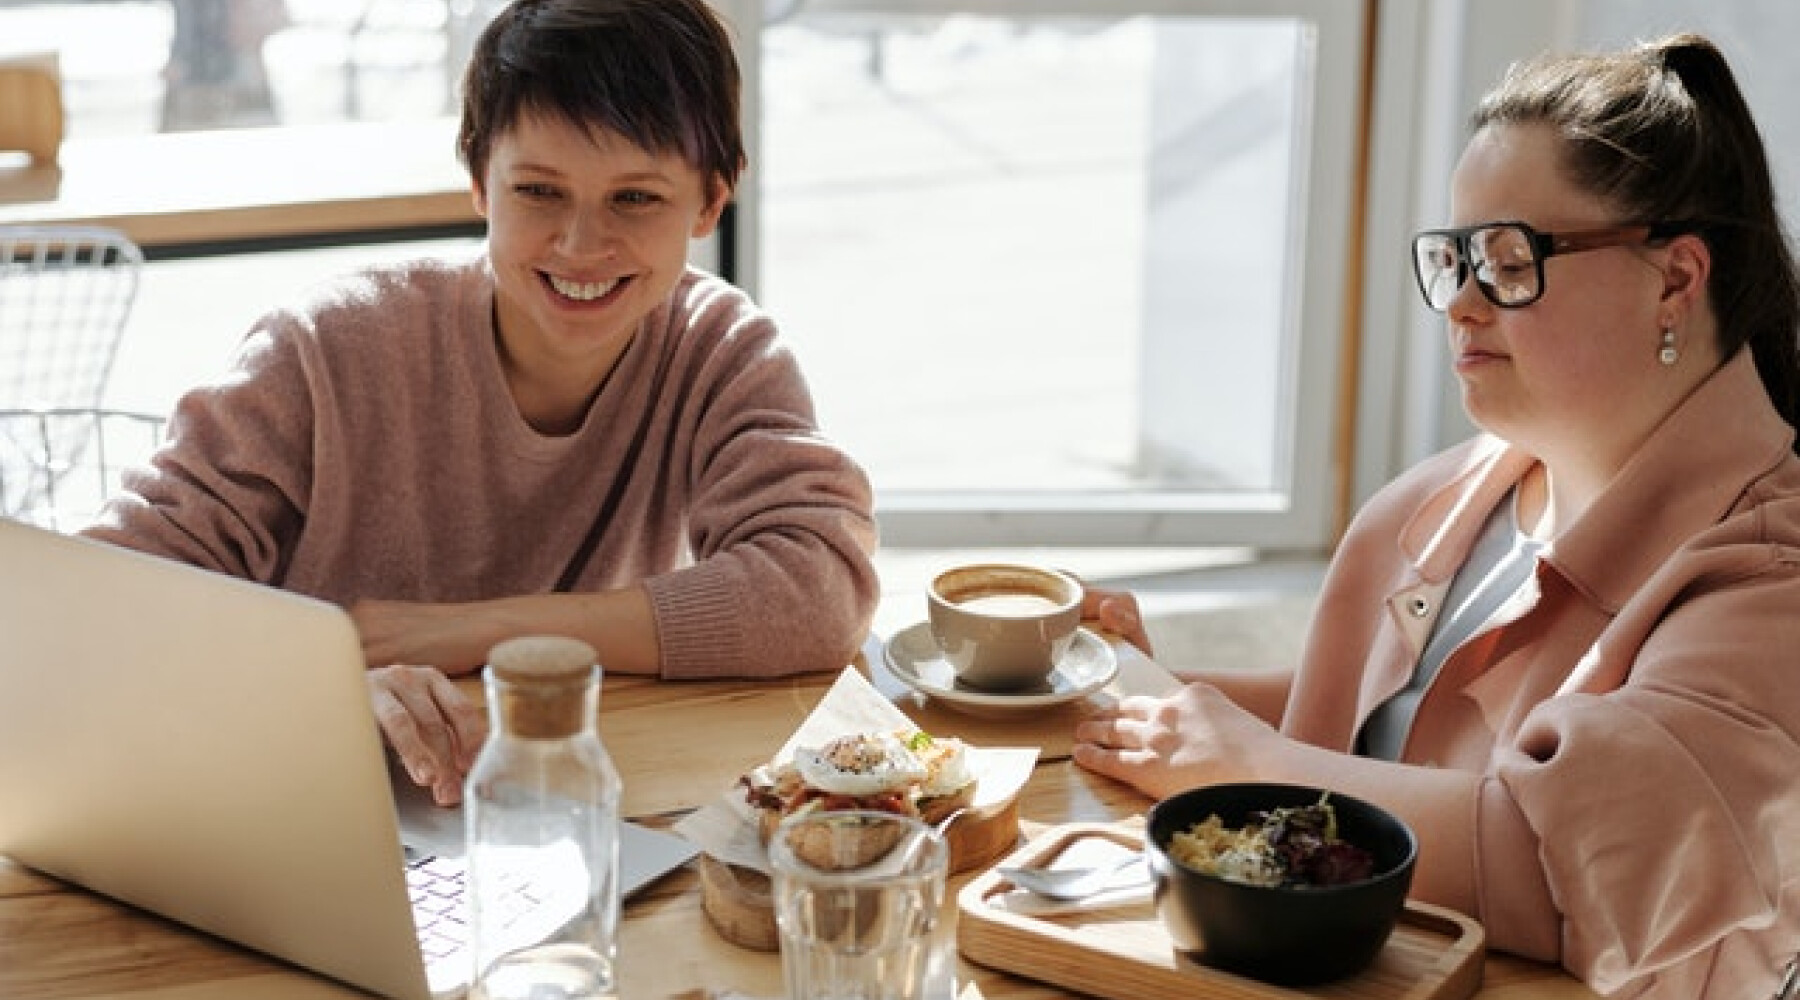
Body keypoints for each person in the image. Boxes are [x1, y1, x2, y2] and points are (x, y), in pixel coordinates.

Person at [1074, 34, 1800, 1000]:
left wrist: (1250, 762)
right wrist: (1149, 685)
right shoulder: (1457, 493)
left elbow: (1562, 865)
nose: (1460, 302)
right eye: (1456, 257)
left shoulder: (1770, 584)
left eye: (1509, 259)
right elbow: (1382, 727)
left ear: (1675, 278)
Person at [84, 0, 880, 808]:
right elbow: (103, 597)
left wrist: (481, 631)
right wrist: (318, 687)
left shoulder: (719, 351)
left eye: (635, 199)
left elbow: (819, 587)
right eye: (539, 191)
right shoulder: (327, 347)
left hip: (549, 798)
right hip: (289, 796)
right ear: (477, 179)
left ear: (711, 200)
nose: (580, 245)